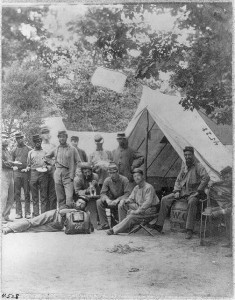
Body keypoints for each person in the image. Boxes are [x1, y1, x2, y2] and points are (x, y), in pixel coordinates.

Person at [152, 146, 210, 239]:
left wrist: (199, 191)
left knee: (192, 202)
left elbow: (206, 178)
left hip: (193, 193)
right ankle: (159, 225)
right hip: (182, 192)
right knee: (165, 199)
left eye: (189, 155)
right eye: (186, 155)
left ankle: (189, 230)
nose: (187, 157)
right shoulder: (184, 167)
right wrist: (176, 191)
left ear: (193, 155)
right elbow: (178, 180)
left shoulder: (199, 167)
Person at [106, 168, 159, 235]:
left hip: (149, 211)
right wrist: (124, 201)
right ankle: (123, 228)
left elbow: (147, 203)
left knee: (131, 217)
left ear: (142, 176)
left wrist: (136, 211)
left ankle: (114, 230)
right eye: (135, 176)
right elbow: (130, 199)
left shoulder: (148, 187)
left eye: (138, 175)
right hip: (140, 208)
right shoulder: (136, 187)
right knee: (122, 205)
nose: (136, 178)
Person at [2, 196, 89, 234]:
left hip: (57, 225)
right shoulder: (71, 205)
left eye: (82, 204)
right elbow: (61, 211)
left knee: (34, 229)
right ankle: (9, 228)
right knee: (32, 222)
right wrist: (73, 210)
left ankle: (11, 227)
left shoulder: (84, 212)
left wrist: (86, 216)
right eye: (79, 202)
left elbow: (89, 227)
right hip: (53, 215)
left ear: (85, 206)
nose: (80, 205)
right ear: (76, 202)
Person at [45, 130, 81, 209]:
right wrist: (53, 162)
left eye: (63, 137)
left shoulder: (72, 149)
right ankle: (62, 217)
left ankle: (69, 217)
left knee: (69, 197)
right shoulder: (56, 149)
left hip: (68, 174)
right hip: (57, 174)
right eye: (60, 137)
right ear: (58, 138)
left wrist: (76, 175)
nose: (62, 138)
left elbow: (78, 162)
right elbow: (46, 157)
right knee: (60, 198)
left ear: (66, 137)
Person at [96, 162, 131, 230]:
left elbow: (127, 194)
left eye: (114, 173)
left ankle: (121, 225)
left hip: (120, 201)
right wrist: (107, 199)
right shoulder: (107, 180)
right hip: (111, 201)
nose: (112, 175)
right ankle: (104, 224)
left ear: (117, 172)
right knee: (99, 202)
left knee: (120, 220)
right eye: (110, 173)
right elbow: (102, 193)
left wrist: (118, 199)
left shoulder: (124, 180)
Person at [209, 166, 232, 257]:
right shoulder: (229, 183)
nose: (225, 180)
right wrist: (217, 209)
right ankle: (230, 242)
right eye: (224, 177)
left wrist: (221, 211)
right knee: (228, 220)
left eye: (227, 177)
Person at [27, 134, 49, 217]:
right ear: (34, 142)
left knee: (43, 196)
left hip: (43, 174)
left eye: (39, 141)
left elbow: (49, 163)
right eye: (36, 141)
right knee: (35, 196)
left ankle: (43, 216)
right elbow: (28, 165)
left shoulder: (45, 152)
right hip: (33, 174)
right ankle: (36, 215)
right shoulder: (30, 153)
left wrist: (47, 166)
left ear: (41, 142)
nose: (38, 143)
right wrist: (27, 168)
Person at [12, 132, 32, 219]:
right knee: (17, 193)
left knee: (27, 193)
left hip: (26, 173)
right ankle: (18, 213)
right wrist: (14, 166)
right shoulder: (13, 150)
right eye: (17, 138)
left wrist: (28, 167)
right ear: (16, 140)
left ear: (23, 138)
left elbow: (31, 162)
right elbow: (11, 162)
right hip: (17, 174)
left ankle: (27, 212)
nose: (19, 140)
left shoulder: (29, 149)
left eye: (21, 138)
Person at [40, 126, 57, 210]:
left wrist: (51, 164)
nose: (46, 135)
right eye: (44, 133)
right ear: (41, 135)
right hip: (43, 171)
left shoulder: (53, 145)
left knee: (53, 193)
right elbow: (39, 159)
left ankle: (53, 213)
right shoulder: (40, 146)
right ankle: (44, 214)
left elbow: (56, 158)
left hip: (52, 170)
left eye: (47, 133)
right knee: (44, 193)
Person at [2, 132, 15, 223]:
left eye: (7, 137)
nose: (6, 139)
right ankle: (1, 217)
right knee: (3, 196)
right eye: (4, 137)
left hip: (10, 173)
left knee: (11, 196)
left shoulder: (7, 150)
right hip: (3, 173)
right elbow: (2, 163)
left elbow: (10, 161)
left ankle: (6, 215)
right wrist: (12, 164)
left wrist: (12, 164)